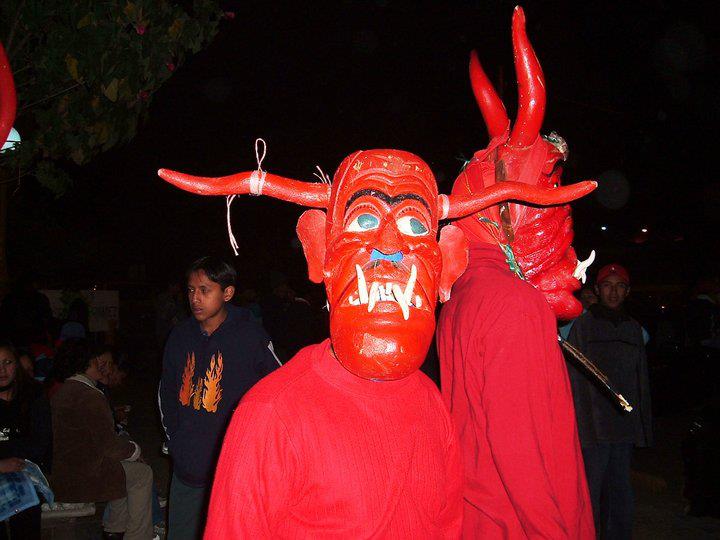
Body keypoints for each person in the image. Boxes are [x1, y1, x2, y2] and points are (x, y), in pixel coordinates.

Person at [157, 135, 592, 535]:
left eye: (416, 226)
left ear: (447, 264)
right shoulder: (270, 415)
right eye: (364, 219)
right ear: (320, 253)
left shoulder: (431, 407)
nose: (390, 244)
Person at [437, 8, 595, 538]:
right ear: (500, 212)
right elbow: (522, 459)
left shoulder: (465, 294)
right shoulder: (510, 304)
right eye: (545, 201)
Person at [158, 256, 281, 539]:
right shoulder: (180, 335)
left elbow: (278, 386)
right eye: (190, 290)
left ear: (227, 293)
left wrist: (257, 442)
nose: (195, 298)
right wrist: (174, 438)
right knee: (181, 531)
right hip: (188, 459)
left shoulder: (251, 336)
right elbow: (166, 389)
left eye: (205, 290)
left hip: (233, 461)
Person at [568, 263, 653, 539]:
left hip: (623, 427)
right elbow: (574, 375)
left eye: (619, 286)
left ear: (627, 291)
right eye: (607, 285)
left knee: (621, 491)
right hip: (592, 427)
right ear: (597, 290)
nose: (613, 292)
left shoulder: (633, 329)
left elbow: (641, 380)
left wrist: (642, 425)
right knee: (591, 490)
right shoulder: (583, 325)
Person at [50, 339, 154, 540]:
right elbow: (110, 447)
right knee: (142, 474)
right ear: (84, 364)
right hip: (85, 474)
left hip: (71, 469)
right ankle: (138, 535)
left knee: (123, 470)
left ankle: (114, 529)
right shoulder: (89, 396)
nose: (100, 366)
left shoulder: (63, 391)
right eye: (95, 361)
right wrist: (135, 450)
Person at [0, 340, 52, 540]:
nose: (2, 371)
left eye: (7, 363)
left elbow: (40, 443)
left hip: (26, 468)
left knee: (26, 504)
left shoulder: (33, 394)